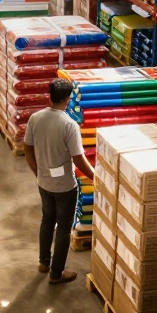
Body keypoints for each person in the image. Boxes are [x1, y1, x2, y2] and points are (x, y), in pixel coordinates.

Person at [24, 78, 94, 284]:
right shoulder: (69, 125)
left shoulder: (35, 118)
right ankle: (56, 273)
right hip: (65, 186)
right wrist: (96, 177)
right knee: (63, 229)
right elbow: (78, 159)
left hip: (43, 183)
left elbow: (27, 147)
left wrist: (37, 172)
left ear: (51, 96)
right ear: (67, 99)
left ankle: (44, 262)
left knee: (47, 220)